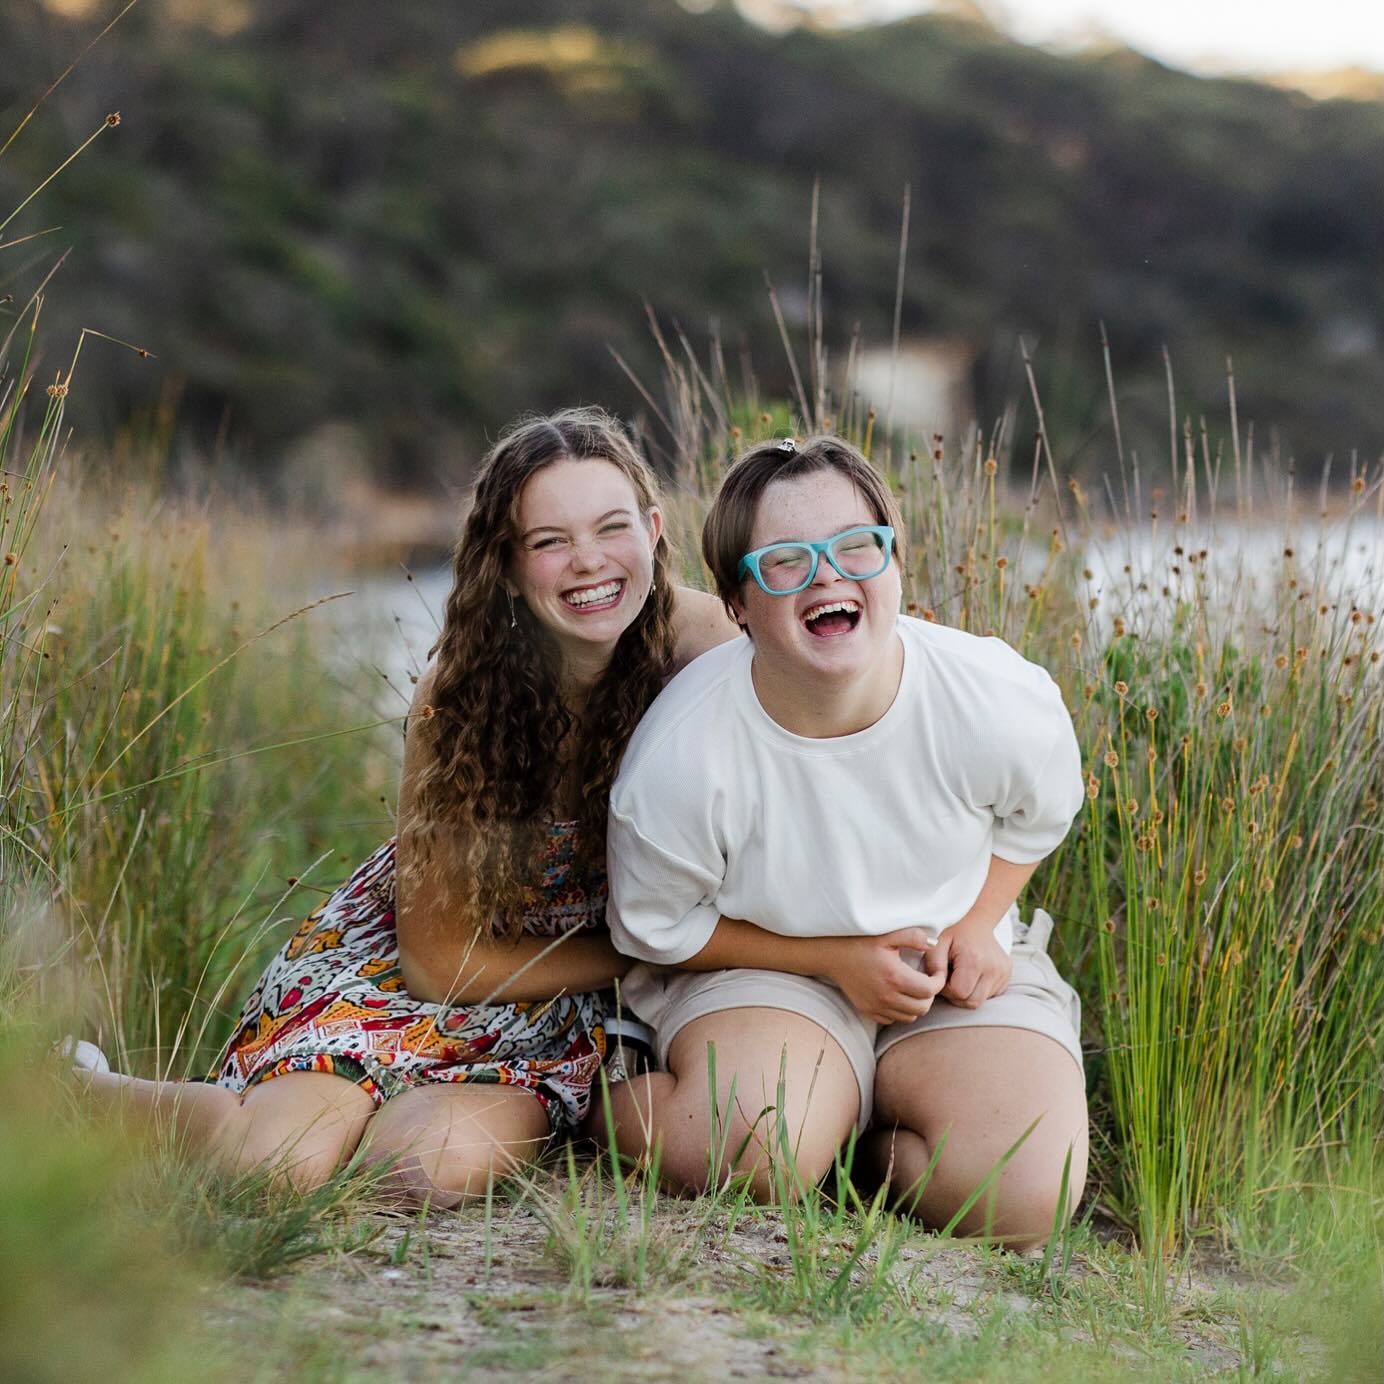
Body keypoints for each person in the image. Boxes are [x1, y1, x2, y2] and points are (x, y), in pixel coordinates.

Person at [70, 407, 739, 1205]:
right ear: (508, 563)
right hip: (419, 972)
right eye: (549, 541)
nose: (588, 561)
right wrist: (648, 951)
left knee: (411, 1170)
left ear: (654, 530)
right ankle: (79, 1092)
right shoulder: (461, 693)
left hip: (565, 1016)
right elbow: (437, 963)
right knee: (270, 1167)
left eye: (611, 527)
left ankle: (376, 1118)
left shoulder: (714, 651)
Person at [602, 434, 1088, 1247]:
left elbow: (1042, 809)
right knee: (752, 1153)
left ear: (893, 563)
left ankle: (849, 1144)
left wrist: (979, 923)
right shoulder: (682, 755)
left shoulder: (992, 694)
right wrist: (834, 960)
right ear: (737, 603)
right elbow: (656, 927)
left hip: (941, 967)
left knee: (1024, 1196)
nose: (828, 576)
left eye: (857, 546)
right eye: (786, 560)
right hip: (769, 972)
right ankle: (600, 1096)